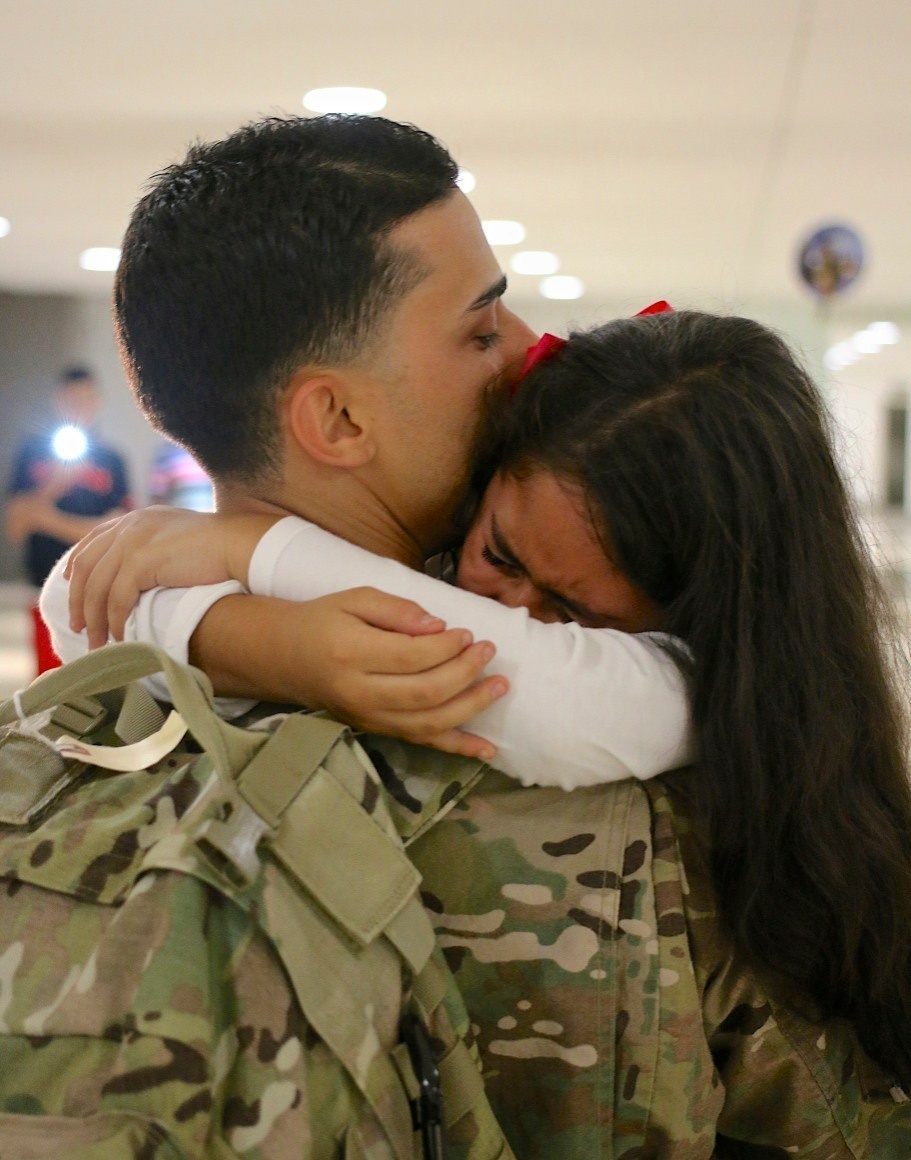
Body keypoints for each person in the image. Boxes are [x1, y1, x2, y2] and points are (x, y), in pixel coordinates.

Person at [37, 112, 911, 1153]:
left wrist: (238, 605)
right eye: (478, 326)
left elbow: (76, 601)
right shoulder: (615, 810)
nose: (518, 350)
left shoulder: (79, 729)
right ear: (340, 421)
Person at [5, 365, 131, 674]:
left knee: (98, 679)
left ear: (97, 402)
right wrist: (56, 484)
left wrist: (46, 518)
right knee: (49, 682)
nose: (79, 409)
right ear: (58, 401)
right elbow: (15, 527)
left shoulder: (113, 461)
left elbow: (120, 530)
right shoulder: (31, 454)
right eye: (71, 401)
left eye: (86, 400)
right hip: (42, 586)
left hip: (97, 585)